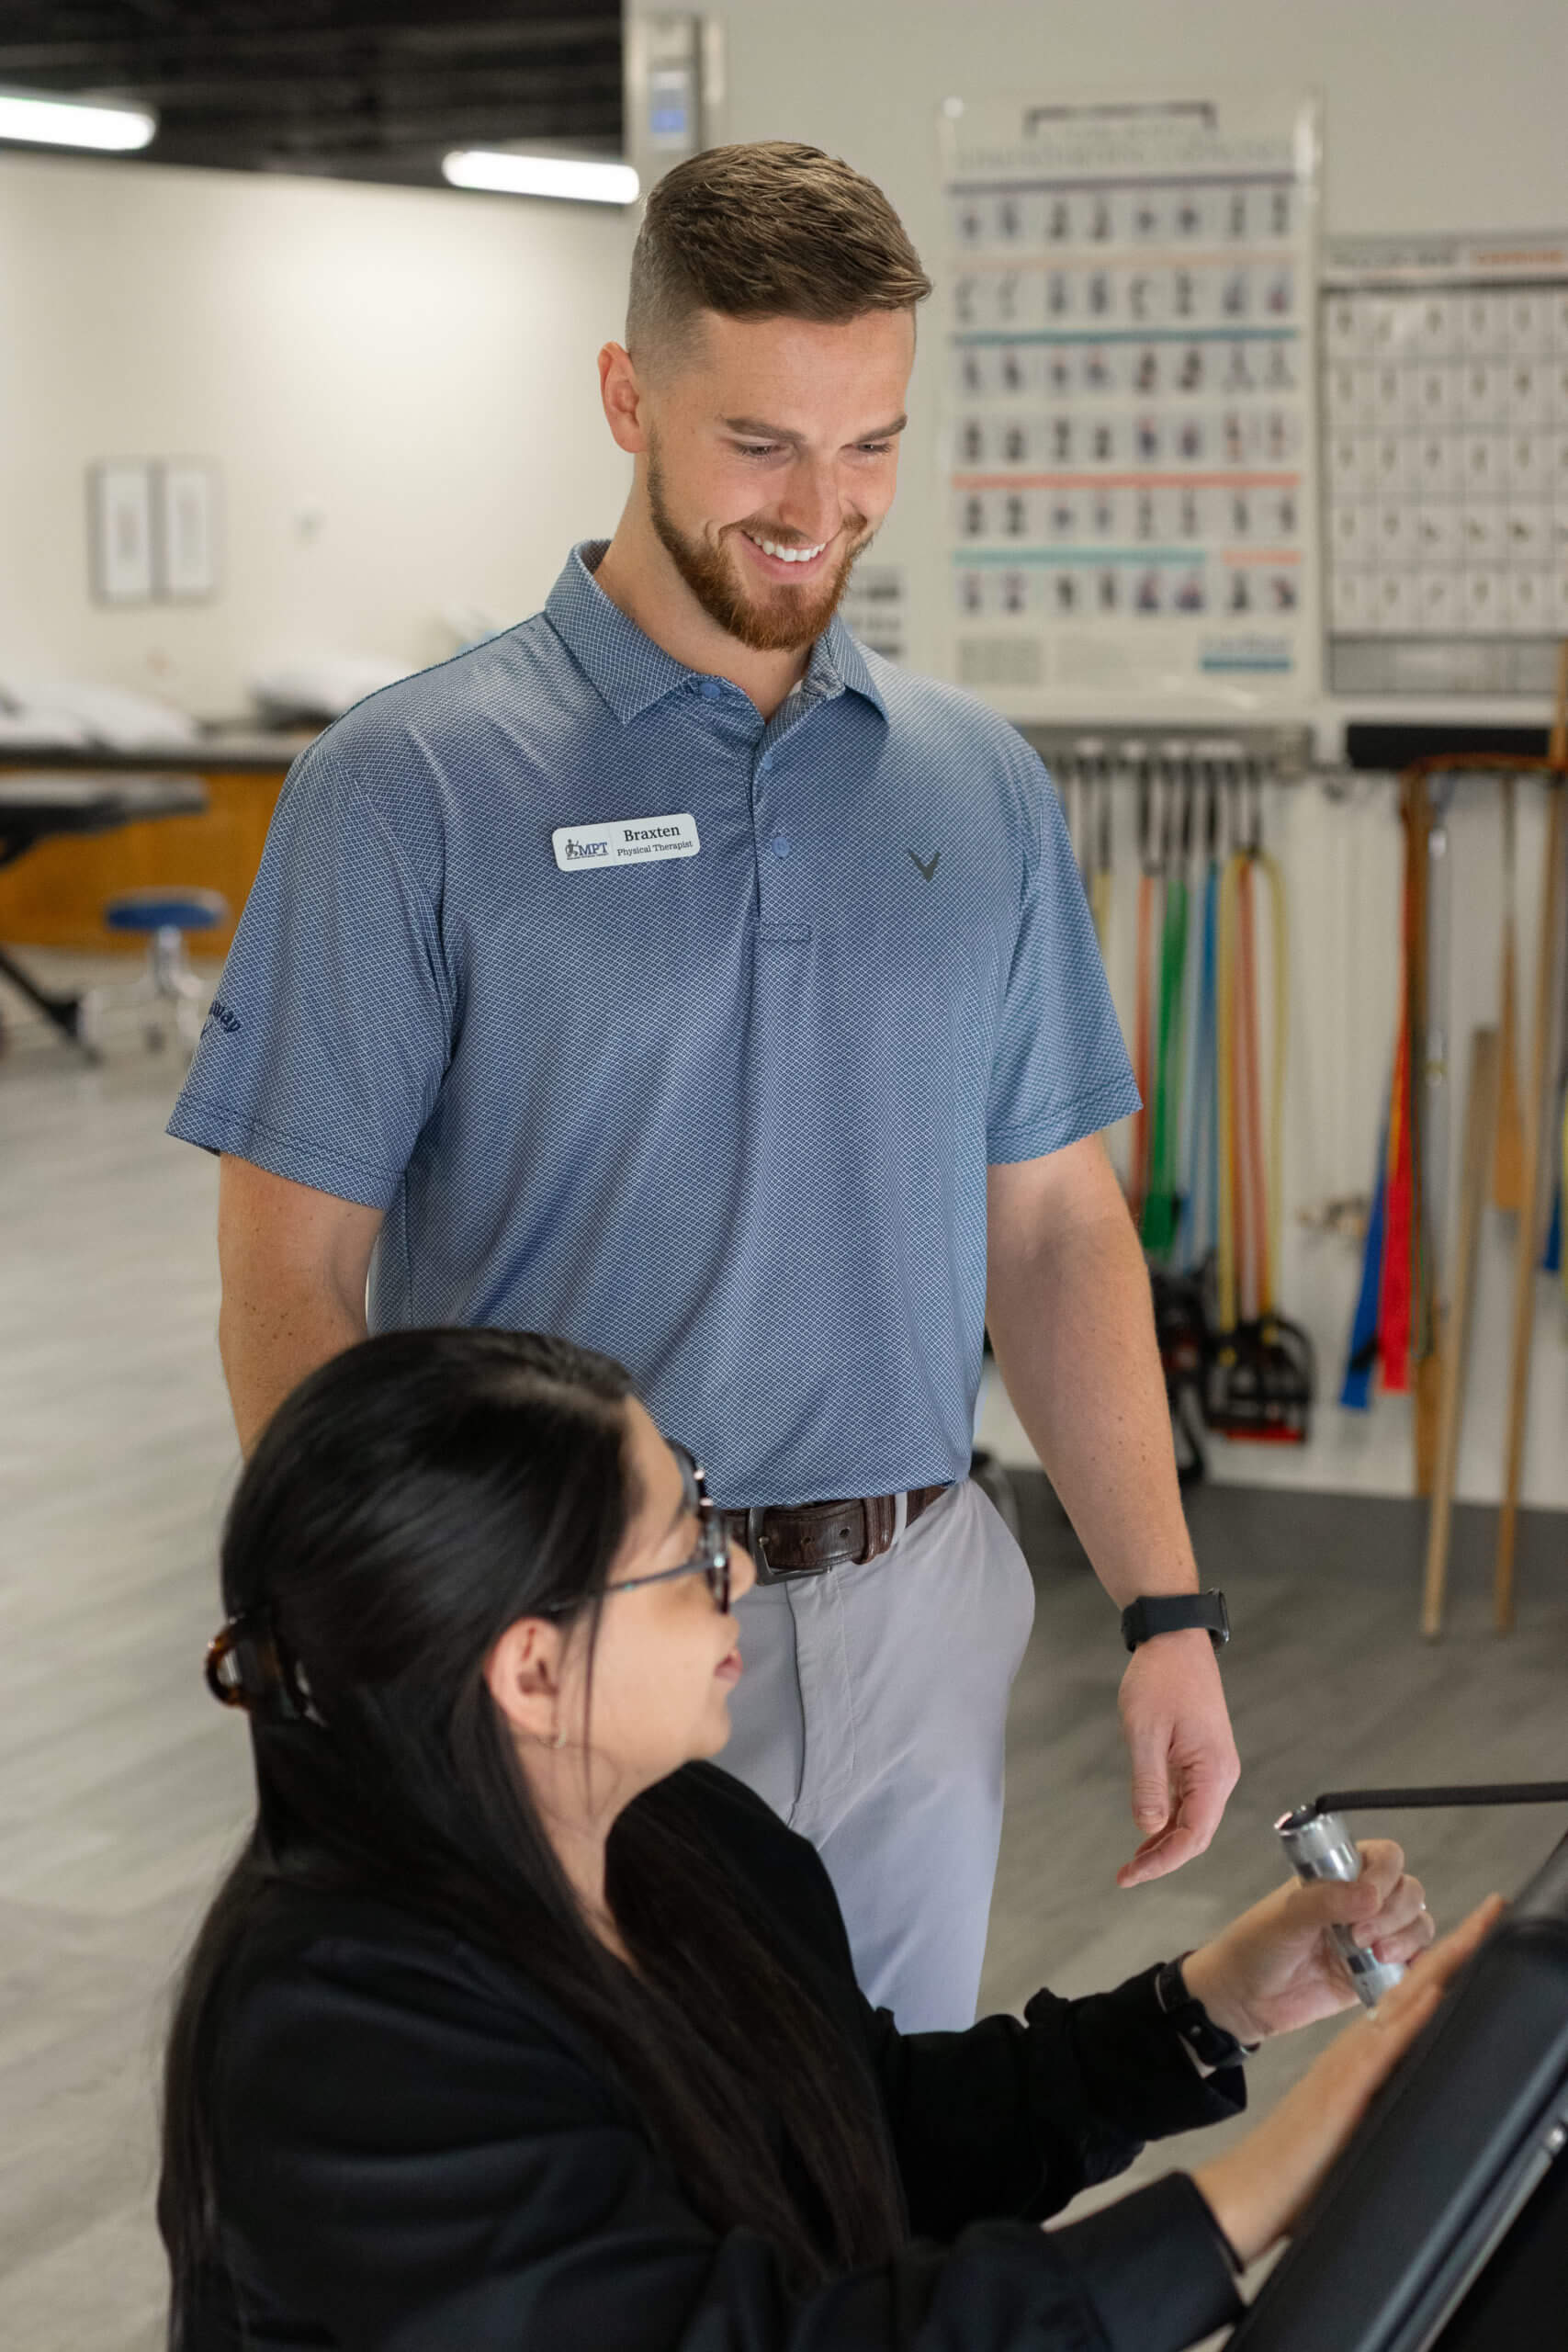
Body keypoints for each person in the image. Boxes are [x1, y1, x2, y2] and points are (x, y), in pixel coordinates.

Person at [168, 139, 1238, 2031]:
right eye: (760, 444)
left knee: (881, 2189)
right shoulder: (404, 788)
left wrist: (1162, 1608)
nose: (818, 510)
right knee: (608, 2208)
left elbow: (1056, 1222)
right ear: (624, 397)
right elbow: (290, 1267)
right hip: (573, 1635)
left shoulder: (973, 787)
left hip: (914, 1609)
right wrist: (389, 1622)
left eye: (869, 447)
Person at [162, 1328, 1491, 2352]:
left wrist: (1213, 2008)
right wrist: (1260, 2192)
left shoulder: (678, 1834)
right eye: (683, 1550)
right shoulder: (342, 2036)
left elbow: (870, 2136)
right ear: (529, 1671)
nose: (735, 1571)